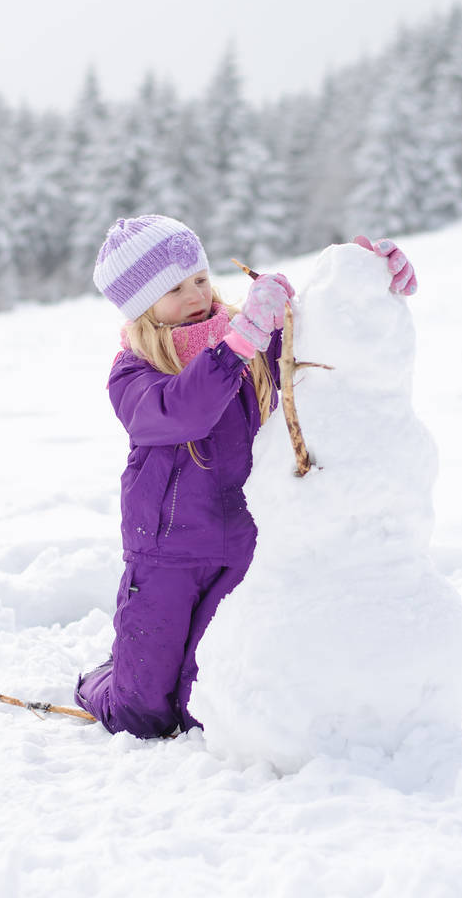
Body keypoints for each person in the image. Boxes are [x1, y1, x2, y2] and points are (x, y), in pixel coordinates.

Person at [74, 215, 417, 739]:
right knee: (141, 714)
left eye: (200, 279)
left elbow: (330, 342)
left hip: (245, 546)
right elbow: (183, 412)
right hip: (165, 553)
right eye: (174, 289)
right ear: (141, 305)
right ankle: (111, 675)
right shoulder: (134, 371)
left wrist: (371, 281)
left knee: (206, 705)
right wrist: (236, 346)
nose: (196, 295)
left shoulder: (253, 334)